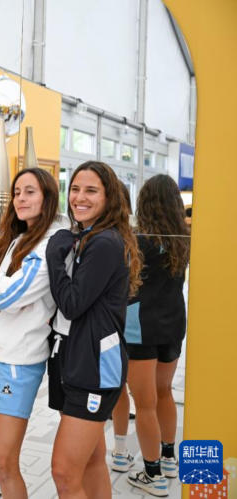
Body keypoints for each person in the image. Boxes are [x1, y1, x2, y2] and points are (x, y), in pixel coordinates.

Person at [0, 168, 66, 498]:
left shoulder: (50, 244)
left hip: (16, 361)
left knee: (4, 462)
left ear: (48, 197)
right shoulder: (11, 237)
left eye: (30, 192)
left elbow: (10, 296)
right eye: (17, 192)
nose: (20, 198)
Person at [46, 161, 142, 498]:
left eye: (91, 191)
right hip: (78, 361)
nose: (79, 197)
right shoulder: (90, 237)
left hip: (93, 370)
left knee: (63, 473)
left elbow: (72, 304)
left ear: (109, 197)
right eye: (75, 189)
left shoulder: (103, 243)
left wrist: (54, 256)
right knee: (91, 461)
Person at [110, 174, 189, 496]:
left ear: (144, 202)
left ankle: (153, 475)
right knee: (164, 392)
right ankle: (169, 459)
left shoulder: (136, 240)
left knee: (144, 404)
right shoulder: (183, 238)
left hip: (139, 328)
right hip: (173, 324)